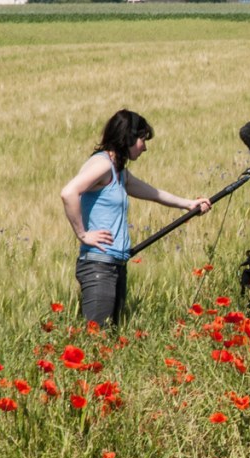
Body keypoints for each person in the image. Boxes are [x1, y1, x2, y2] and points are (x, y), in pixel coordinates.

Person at [60, 109, 210, 326]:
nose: (145, 147)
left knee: (111, 339)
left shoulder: (119, 172)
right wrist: (83, 235)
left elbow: (154, 193)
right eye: (142, 139)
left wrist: (188, 204)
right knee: (96, 340)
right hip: (98, 267)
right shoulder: (102, 165)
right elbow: (68, 192)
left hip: (115, 266)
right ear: (127, 137)